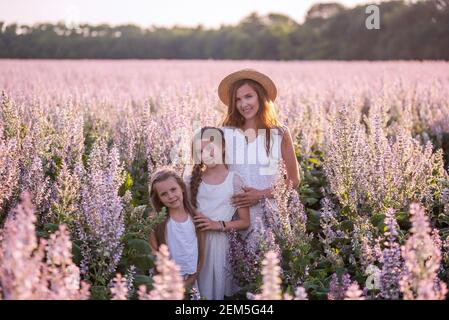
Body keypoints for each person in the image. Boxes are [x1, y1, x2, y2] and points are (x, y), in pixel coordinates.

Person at [218, 68, 300, 252]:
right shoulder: (225, 133)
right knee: (238, 270)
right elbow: (214, 174)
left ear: (260, 97)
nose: (243, 104)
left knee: (270, 271)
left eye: (248, 96)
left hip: (270, 213)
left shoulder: (279, 133)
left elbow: (294, 180)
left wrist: (261, 194)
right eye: (237, 99)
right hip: (235, 215)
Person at [184, 126, 250, 300]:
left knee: (218, 291)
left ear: (223, 147)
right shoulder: (190, 180)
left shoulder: (234, 180)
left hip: (221, 244)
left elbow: (244, 222)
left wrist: (217, 224)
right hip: (196, 243)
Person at [148, 167, 204, 294]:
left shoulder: (195, 218)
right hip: (165, 283)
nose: (171, 196)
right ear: (158, 198)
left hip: (190, 282)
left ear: (182, 188)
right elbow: (153, 252)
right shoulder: (156, 221)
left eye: (173, 189)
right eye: (164, 194)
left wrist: (189, 281)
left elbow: (201, 254)